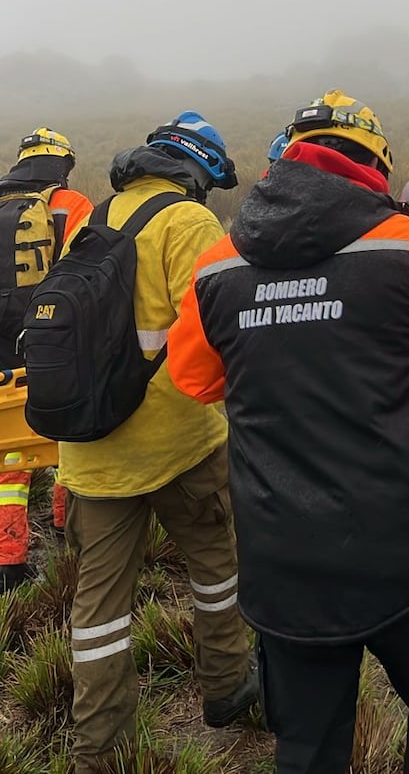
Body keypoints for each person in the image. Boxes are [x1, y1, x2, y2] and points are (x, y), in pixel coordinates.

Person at [167, 89, 409, 774]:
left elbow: (195, 380)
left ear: (287, 158)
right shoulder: (408, 250)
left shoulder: (217, 268)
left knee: (306, 748)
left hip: (282, 562)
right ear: (374, 164)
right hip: (407, 552)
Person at [58, 112, 257, 774]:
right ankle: (227, 686)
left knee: (99, 607)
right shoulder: (189, 223)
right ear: (197, 171)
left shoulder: (93, 218)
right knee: (215, 564)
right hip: (181, 442)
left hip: (88, 449)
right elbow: (214, 333)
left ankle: (97, 747)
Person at [0, 128, 92, 593]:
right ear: (63, 164)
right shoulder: (69, 204)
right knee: (62, 437)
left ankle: (9, 562)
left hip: (0, 349)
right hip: (49, 339)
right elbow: (87, 272)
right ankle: (65, 532)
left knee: (7, 454)